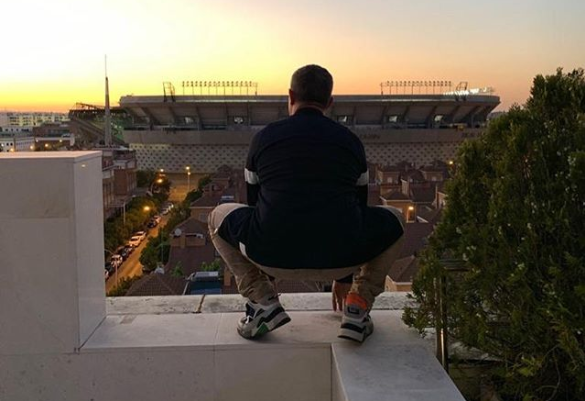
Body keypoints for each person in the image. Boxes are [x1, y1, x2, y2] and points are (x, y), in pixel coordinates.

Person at [209, 65, 404, 343]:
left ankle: (262, 300)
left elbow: (254, 204)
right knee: (395, 218)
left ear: (290, 96)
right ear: (330, 102)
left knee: (216, 217)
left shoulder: (264, 138)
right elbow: (359, 208)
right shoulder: (350, 142)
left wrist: (267, 271)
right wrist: (344, 278)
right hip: (343, 258)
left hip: (271, 256)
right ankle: (358, 305)